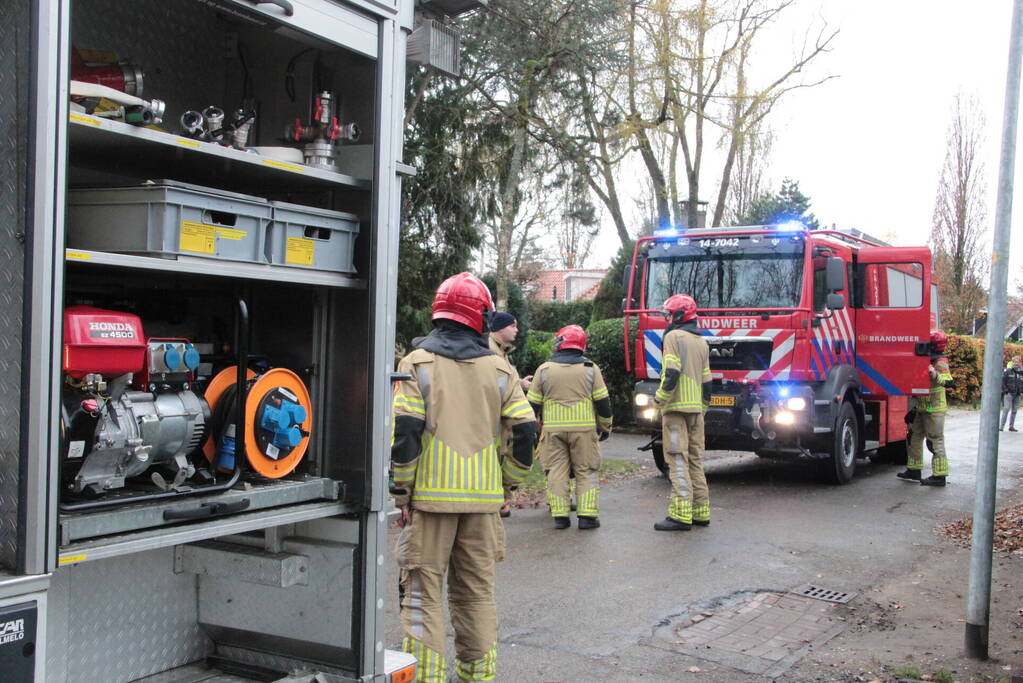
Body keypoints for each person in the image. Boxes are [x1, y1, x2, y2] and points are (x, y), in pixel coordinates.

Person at [390, 272, 538, 683]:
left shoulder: (416, 364)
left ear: (438, 312)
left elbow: (405, 433)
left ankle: (428, 678)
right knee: (477, 593)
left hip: (430, 504)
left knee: (422, 596)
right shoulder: (501, 369)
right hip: (484, 505)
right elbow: (526, 431)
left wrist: (402, 491)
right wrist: (508, 484)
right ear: (482, 316)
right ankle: (478, 675)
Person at [526, 325, 613, 529]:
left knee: (556, 471)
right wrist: (605, 426)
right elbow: (603, 403)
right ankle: (587, 517)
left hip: (553, 430)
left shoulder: (544, 370)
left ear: (560, 343)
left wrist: (532, 430)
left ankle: (560, 516)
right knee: (586, 471)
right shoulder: (591, 369)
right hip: (584, 431)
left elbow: (532, 405)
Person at [652, 294, 711, 531]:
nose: (666, 319)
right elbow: (707, 381)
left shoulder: (673, 337)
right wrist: (703, 408)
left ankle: (680, 515)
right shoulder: (701, 341)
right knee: (695, 459)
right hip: (696, 410)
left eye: (668, 314)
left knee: (677, 459)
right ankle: (700, 511)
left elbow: (672, 372)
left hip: (676, 409)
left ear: (678, 315)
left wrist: (660, 399)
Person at [488, 312, 533, 518]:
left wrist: (520, 384)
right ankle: (501, 497)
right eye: (512, 326)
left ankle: (501, 498)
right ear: (499, 328)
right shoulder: (491, 353)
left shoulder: (501, 352)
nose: (517, 329)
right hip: (494, 430)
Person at [897, 329, 953, 486]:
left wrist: (933, 373)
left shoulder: (940, 362)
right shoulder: (927, 359)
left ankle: (940, 475)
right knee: (914, 437)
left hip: (934, 409)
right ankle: (914, 470)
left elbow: (949, 382)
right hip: (922, 407)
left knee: (935, 441)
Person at [1000, 356, 1023, 432]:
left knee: (1014, 411)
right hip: (1009, 393)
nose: (1016, 363)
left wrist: (1022, 392)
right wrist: (1006, 390)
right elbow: (1003, 381)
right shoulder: (1008, 371)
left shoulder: (1021, 372)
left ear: (1020, 363)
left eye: (1018, 362)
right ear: (1012, 362)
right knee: (1006, 409)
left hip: (1018, 394)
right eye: (1015, 362)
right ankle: (1001, 426)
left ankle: (1011, 426)